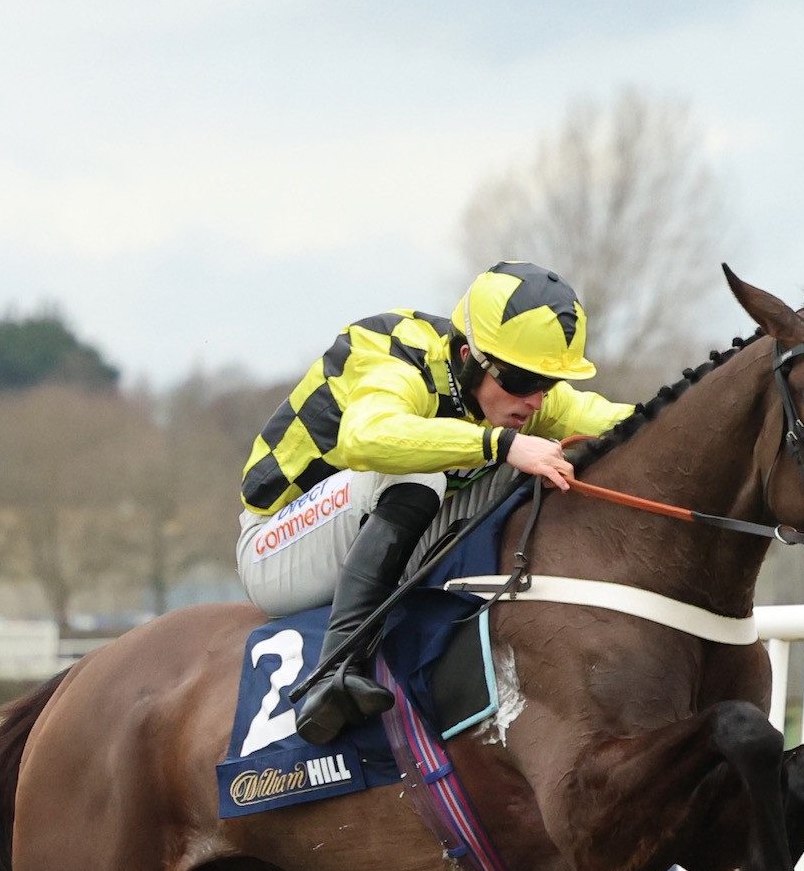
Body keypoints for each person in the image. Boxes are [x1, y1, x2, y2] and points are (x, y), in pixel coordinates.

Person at [237, 261, 635, 744]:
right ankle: (335, 669)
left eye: (545, 385)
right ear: (469, 356)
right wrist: (502, 445)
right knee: (429, 469)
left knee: (549, 464)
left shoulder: (518, 397)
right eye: (520, 381)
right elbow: (367, 436)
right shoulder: (393, 353)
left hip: (359, 536)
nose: (534, 400)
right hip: (276, 546)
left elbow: (626, 421)